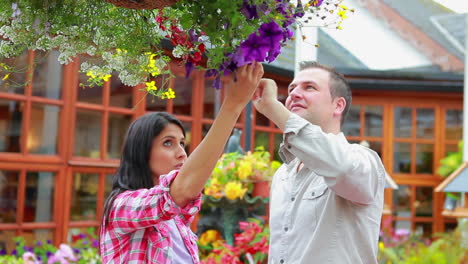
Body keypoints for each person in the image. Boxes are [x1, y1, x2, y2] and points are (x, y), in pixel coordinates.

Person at [99, 62, 264, 263]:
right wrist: (233, 105)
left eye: (182, 143)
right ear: (141, 152)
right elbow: (180, 191)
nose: (181, 154)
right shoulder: (121, 206)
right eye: (168, 143)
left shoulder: (176, 219)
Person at [252, 61, 385, 264]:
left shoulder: (362, 160)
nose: (294, 94)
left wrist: (274, 110)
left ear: (338, 105)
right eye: (291, 88)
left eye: (309, 87)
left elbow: (340, 167)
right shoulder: (283, 175)